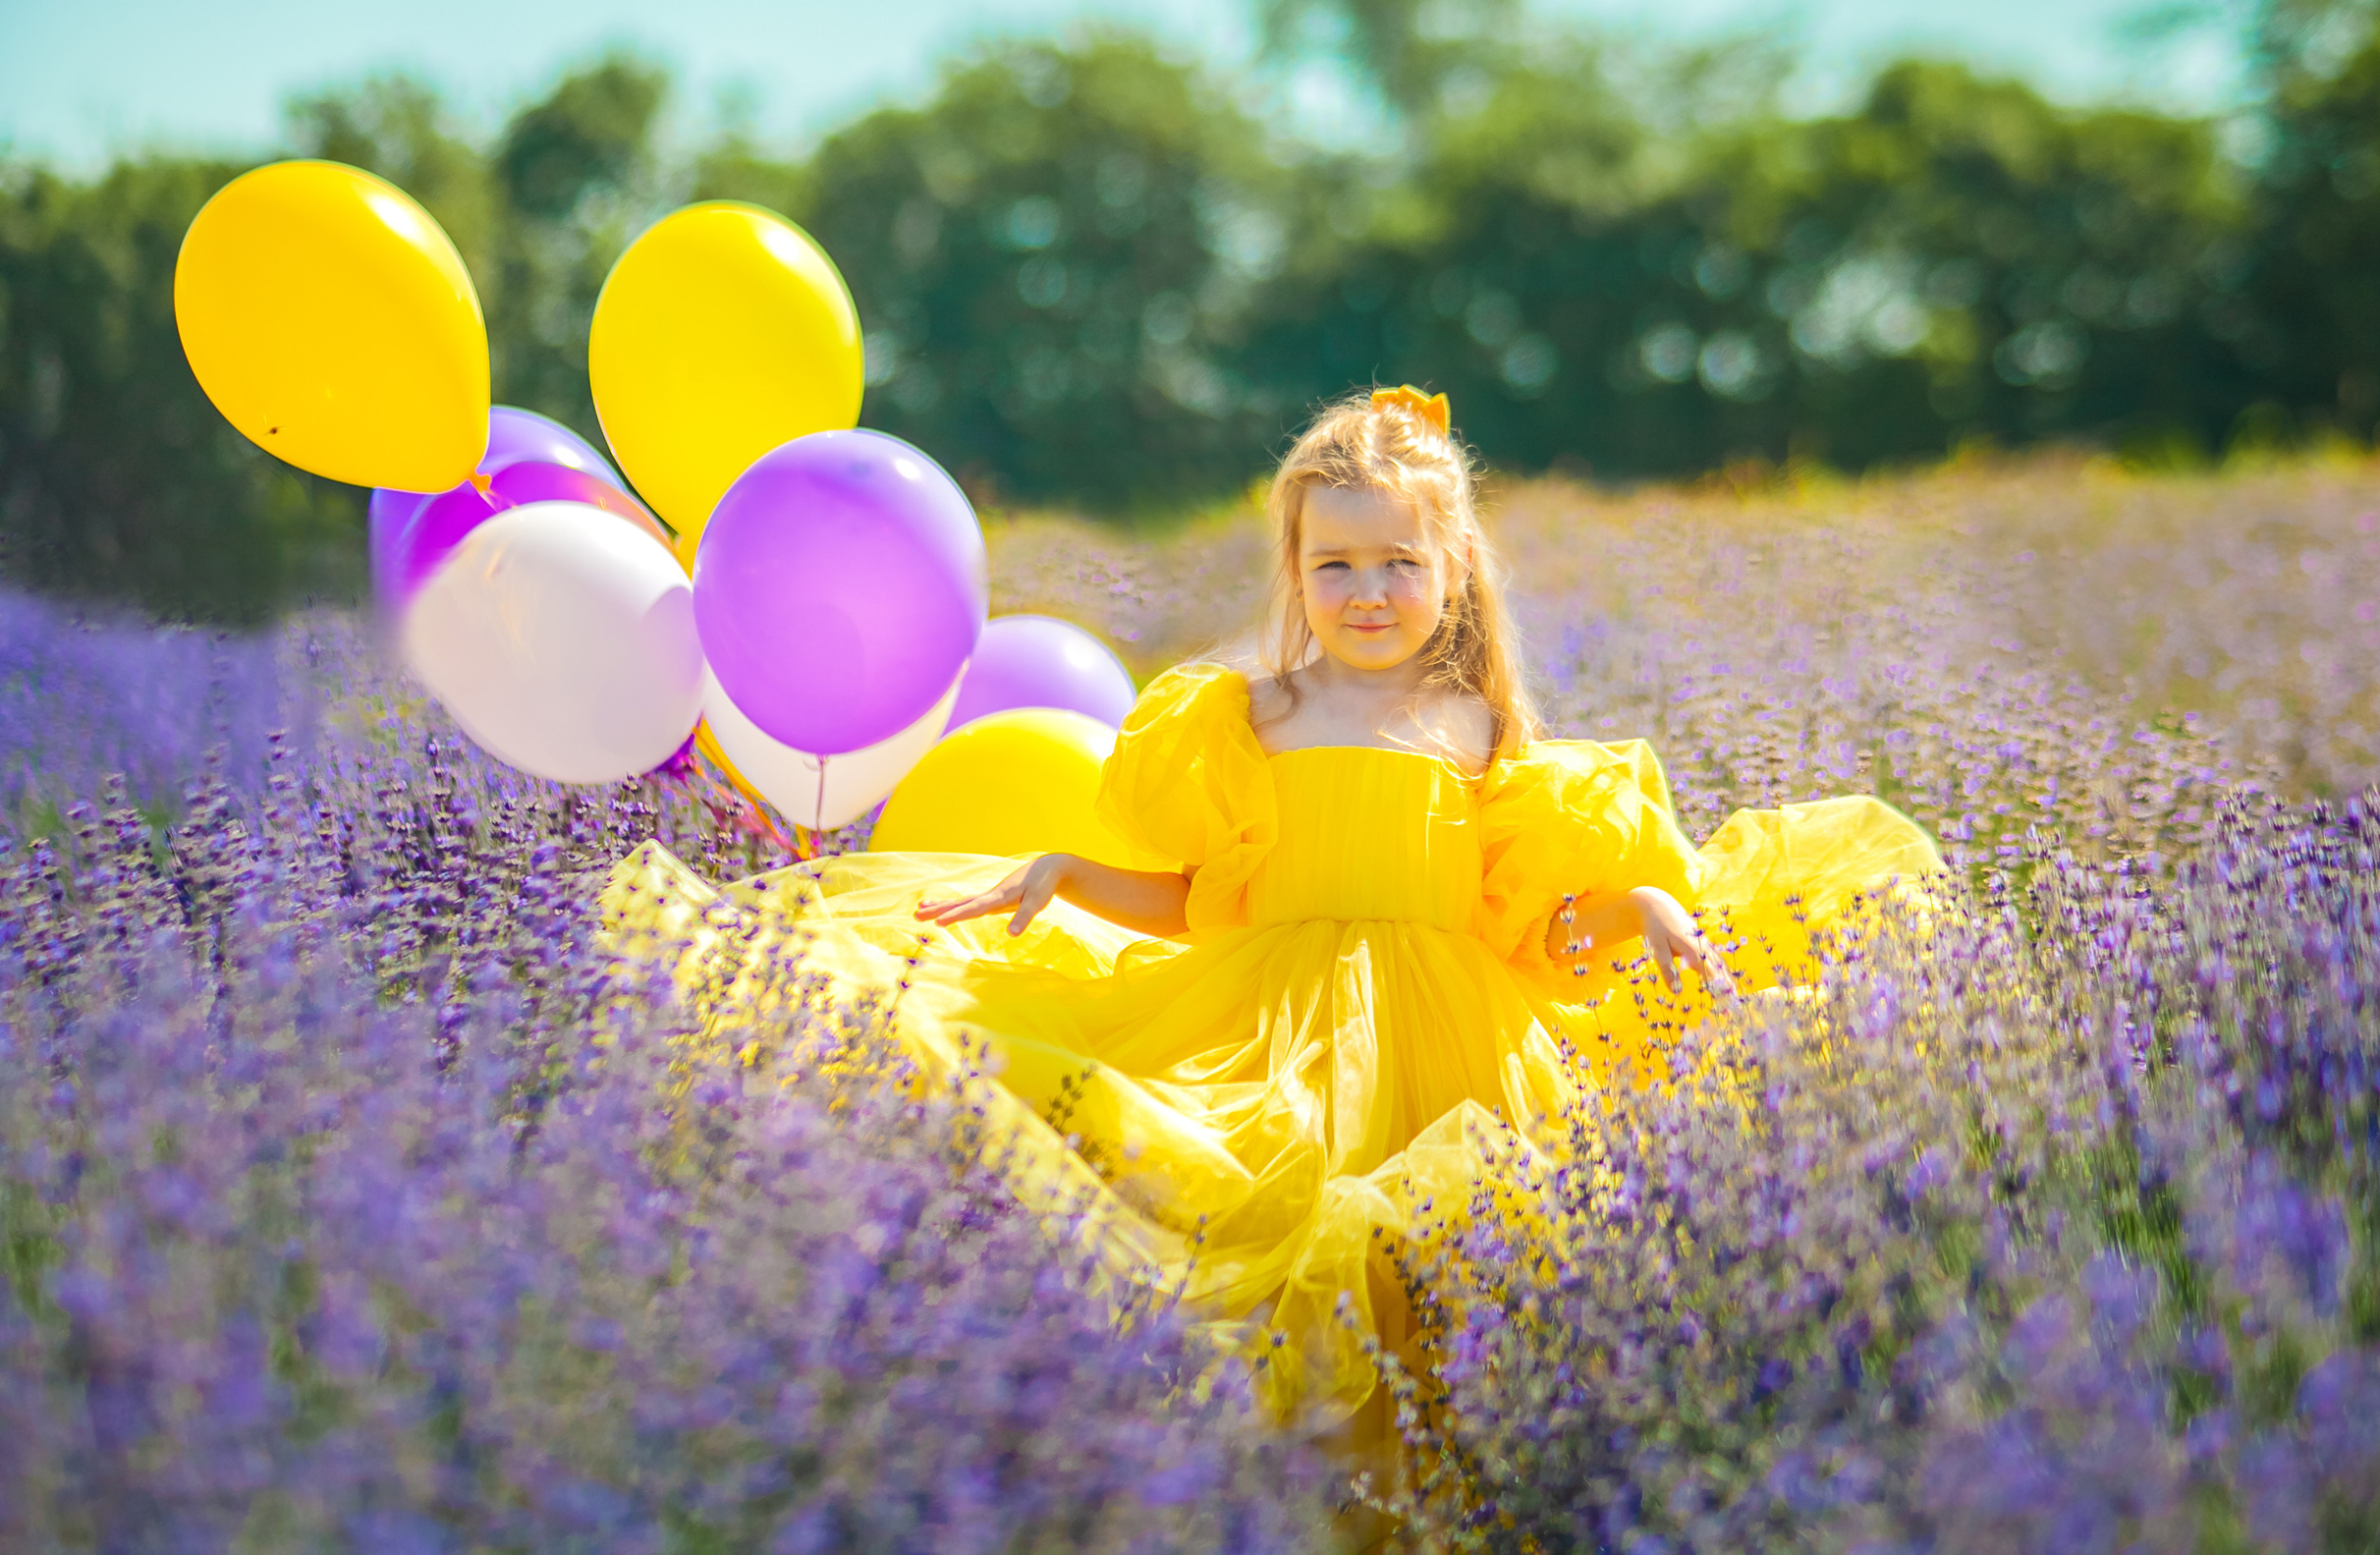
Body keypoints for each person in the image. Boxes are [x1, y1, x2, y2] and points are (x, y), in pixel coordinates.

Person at [601, 385, 1941, 1452]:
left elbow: (1532, 930)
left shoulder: (1482, 733)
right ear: (1294, 572)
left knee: (1443, 1269)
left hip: (1456, 1038)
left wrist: (1642, 903)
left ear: (1454, 572)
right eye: (1335, 564)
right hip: (1270, 1024)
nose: (1367, 593)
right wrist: (1068, 876)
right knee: (1269, 1236)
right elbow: (1205, 906)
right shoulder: (1253, 719)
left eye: (1399, 565)